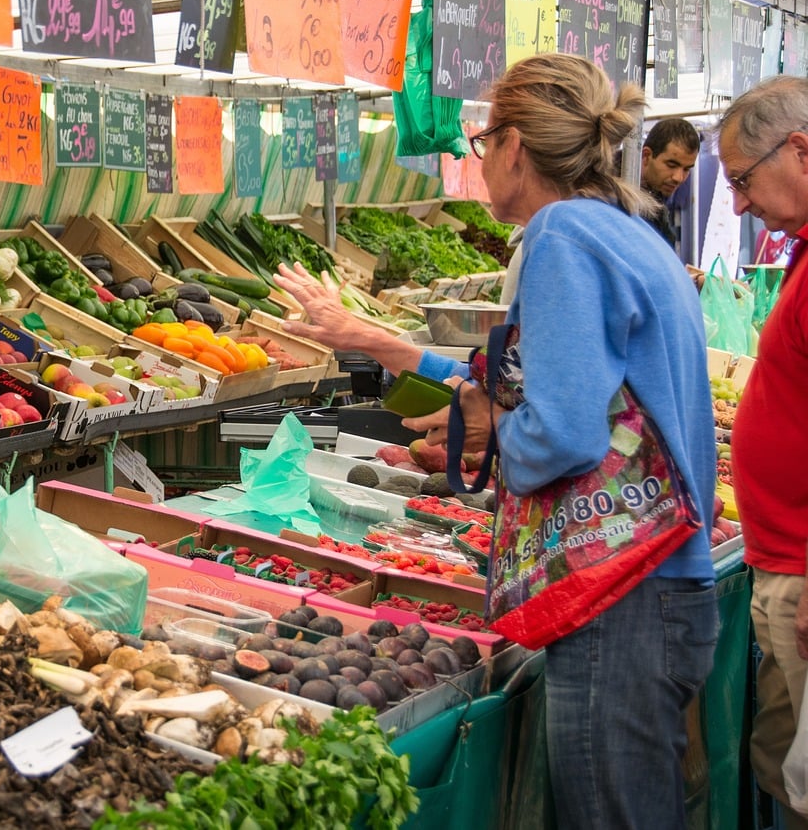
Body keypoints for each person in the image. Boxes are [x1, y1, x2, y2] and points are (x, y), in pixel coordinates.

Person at [277, 53, 716, 829]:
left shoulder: (561, 236)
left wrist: (489, 427)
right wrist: (391, 349)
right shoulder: (624, 230)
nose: (479, 161)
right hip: (659, 586)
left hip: (622, 600)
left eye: (481, 144)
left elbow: (562, 433)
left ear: (515, 146)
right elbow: (545, 382)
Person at [718, 75, 808, 830]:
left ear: (800, 151)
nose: (739, 204)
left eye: (743, 180)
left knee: (797, 776)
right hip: (784, 558)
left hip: (803, 573)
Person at [638, 117, 701, 248]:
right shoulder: (610, 198)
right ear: (646, 156)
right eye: (671, 165)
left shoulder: (657, 201)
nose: (679, 178)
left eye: (686, 169)